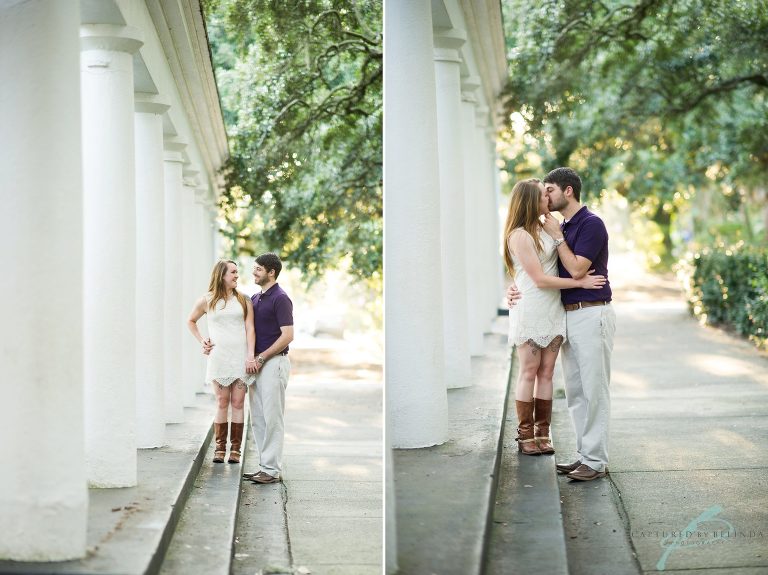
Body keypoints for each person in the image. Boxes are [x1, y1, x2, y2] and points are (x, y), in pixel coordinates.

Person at [509, 167, 616, 482]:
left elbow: (577, 269)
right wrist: (514, 288)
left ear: (567, 191)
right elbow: (532, 269)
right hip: (567, 313)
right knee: (576, 391)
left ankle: (595, 461)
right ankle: (585, 456)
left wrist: (558, 237)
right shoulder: (561, 227)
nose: (547, 195)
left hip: (592, 312)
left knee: (594, 389)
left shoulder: (590, 224)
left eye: (550, 190)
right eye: (543, 192)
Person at [188, 260, 257, 464]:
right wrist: (203, 341)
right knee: (221, 402)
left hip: (240, 358)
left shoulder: (244, 300)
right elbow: (190, 320)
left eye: (237, 272)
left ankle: (235, 449)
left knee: (237, 403)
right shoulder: (206, 300)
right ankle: (219, 448)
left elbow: (250, 329)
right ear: (221, 275)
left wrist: (250, 356)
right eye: (233, 272)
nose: (237, 276)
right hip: (219, 358)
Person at [242, 253, 294, 485]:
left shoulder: (281, 298)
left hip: (274, 363)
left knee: (273, 418)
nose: (254, 273)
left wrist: (262, 357)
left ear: (271, 272)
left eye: (258, 269)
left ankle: (272, 470)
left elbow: (288, 335)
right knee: (259, 419)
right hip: (256, 366)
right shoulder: (255, 297)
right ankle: (265, 467)